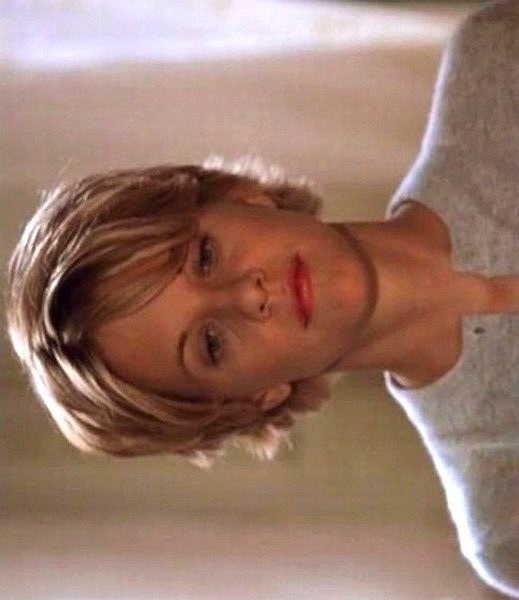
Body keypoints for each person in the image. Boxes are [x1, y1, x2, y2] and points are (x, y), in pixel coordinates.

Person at [6, 0, 518, 597]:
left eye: (204, 257)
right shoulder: (504, 518)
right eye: (211, 343)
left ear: (237, 194)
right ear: (253, 399)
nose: (246, 296)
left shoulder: (498, 64)